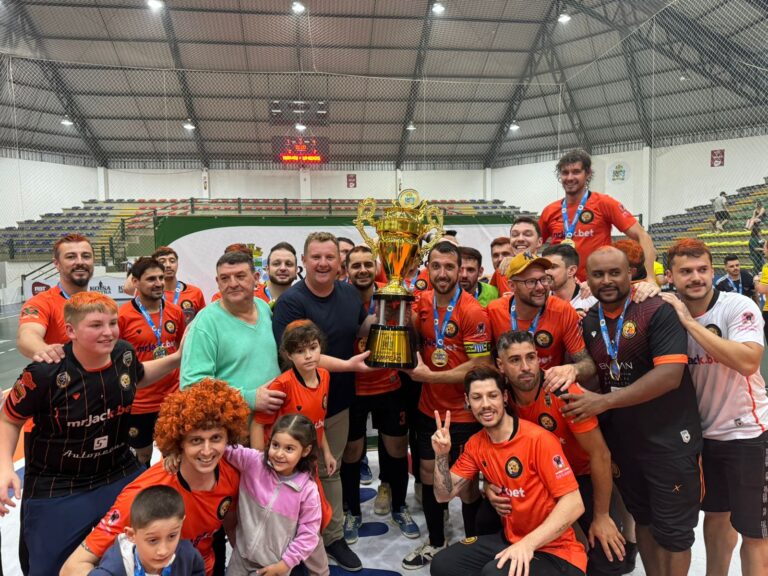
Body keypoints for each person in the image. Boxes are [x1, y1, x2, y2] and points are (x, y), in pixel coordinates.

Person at [0, 292, 181, 576]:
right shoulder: (45, 372)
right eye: (96, 325)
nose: (108, 332)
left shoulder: (123, 354)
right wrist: (4, 467)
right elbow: (9, 419)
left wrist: (178, 357)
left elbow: (140, 375)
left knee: (153, 548)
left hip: (118, 471)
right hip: (58, 484)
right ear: (70, 330)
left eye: (112, 323)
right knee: (48, 569)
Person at [558, 247, 702, 576]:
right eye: (598, 274)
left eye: (614, 273)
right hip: (625, 442)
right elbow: (597, 367)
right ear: (587, 279)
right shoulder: (592, 319)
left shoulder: (655, 310)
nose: (607, 281)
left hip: (669, 441)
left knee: (675, 532)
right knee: (645, 521)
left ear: (630, 274)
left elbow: (669, 376)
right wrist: (571, 373)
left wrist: (603, 402)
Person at [61, 378, 246, 576]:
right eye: (196, 440)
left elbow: (231, 526)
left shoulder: (230, 475)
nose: (207, 451)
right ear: (179, 442)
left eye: (216, 438)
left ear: (228, 437)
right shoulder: (143, 494)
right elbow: (72, 567)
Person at [661, 239, 768, 576]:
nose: (696, 277)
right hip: (702, 437)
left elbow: (748, 361)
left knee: (754, 531)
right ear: (670, 277)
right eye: (686, 271)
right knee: (716, 516)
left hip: (748, 434)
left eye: (703, 270)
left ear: (713, 271)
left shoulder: (737, 306)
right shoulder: (666, 312)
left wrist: (690, 323)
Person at [272, 232, 373, 572]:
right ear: (304, 260)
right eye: (316, 257)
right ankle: (289, 538)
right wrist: (345, 365)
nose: (323, 263)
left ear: (339, 263)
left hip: (339, 400)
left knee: (331, 471)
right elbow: (301, 356)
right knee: (294, 473)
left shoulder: (348, 293)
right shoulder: (291, 303)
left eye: (330, 257)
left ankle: (332, 537)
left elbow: (358, 330)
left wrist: (392, 308)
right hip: (297, 408)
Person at [429, 366, 587, 576]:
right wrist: (441, 455)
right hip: (512, 540)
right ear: (467, 401)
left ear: (504, 397)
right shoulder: (475, 444)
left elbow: (574, 503)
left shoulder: (538, 440)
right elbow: (442, 495)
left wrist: (528, 544)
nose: (485, 404)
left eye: (492, 395)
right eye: (477, 397)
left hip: (557, 551)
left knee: (495, 573)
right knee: (443, 564)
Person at [493, 331, 626, 575]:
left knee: (609, 557)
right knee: (486, 518)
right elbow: (492, 448)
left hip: (578, 478)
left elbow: (600, 455)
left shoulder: (563, 391)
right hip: (535, 481)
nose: (526, 367)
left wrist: (602, 515)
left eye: (531, 357)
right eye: (515, 360)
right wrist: (490, 487)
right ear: (500, 365)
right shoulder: (499, 398)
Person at [403, 241, 494, 570]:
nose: (442, 273)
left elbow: (479, 364)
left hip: (465, 413)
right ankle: (437, 541)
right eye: (436, 266)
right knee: (429, 476)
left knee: (466, 484)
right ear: (428, 269)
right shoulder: (422, 304)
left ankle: (471, 544)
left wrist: (431, 376)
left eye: (449, 267)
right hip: (429, 410)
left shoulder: (471, 310)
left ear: (460, 270)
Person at [341, 246, 418, 542]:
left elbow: (412, 331)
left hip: (389, 385)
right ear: (347, 269)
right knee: (351, 452)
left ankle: (399, 505)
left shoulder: (393, 292)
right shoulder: (340, 297)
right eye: (355, 265)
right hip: (354, 389)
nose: (362, 270)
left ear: (376, 268)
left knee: (397, 449)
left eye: (367, 265)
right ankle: (352, 512)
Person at [222, 415, 330, 576]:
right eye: (275, 445)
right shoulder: (252, 462)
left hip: (275, 566)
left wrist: (285, 564)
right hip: (240, 559)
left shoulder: (307, 490)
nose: (279, 454)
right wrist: (177, 453)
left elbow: (308, 534)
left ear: (306, 451)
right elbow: (220, 448)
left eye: (289, 449)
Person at [180, 250, 282, 412]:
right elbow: (192, 385)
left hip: (272, 426)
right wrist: (247, 398)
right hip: (233, 430)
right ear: (218, 282)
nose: (233, 283)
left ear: (256, 278)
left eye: (240, 276)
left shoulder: (263, 308)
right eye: (225, 278)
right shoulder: (206, 323)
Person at [539, 148, 656, 282]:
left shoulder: (604, 203)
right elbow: (534, 244)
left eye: (576, 172)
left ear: (588, 174)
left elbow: (642, 236)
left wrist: (650, 278)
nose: (570, 177)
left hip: (595, 287)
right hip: (560, 286)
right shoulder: (550, 210)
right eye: (565, 173)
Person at [486, 252, 596, 391]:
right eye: (530, 282)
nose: (540, 287)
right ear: (512, 286)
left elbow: (588, 365)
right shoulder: (494, 311)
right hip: (508, 390)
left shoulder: (562, 310)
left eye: (544, 279)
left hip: (548, 389)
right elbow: (484, 362)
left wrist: (573, 369)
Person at [119, 257, 186, 466]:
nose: (158, 283)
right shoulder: (123, 316)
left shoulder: (175, 312)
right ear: (136, 282)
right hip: (139, 403)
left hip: (171, 399)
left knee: (174, 455)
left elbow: (182, 351)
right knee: (142, 457)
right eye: (150, 279)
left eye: (160, 278)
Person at [252, 321, 335, 473]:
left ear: (320, 347)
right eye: (300, 351)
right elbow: (258, 424)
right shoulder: (282, 384)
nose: (308, 356)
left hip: (307, 457)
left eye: (313, 347)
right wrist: (260, 467)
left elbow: (318, 422)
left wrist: (327, 453)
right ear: (289, 355)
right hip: (281, 461)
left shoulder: (325, 376)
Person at [87, 485, 206, 576]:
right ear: (131, 535)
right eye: (153, 540)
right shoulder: (111, 570)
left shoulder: (189, 555)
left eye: (172, 536)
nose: (163, 551)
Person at [17, 233, 94, 363]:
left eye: (86, 256)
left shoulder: (102, 303)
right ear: (57, 264)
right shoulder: (41, 303)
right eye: (71, 257)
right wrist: (45, 350)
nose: (80, 262)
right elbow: (27, 335)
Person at [490, 216, 543, 296]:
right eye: (515, 235)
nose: (520, 239)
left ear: (539, 242)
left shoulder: (549, 269)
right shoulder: (503, 269)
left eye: (527, 234)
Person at [152, 246, 206, 323]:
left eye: (172, 261)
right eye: (162, 261)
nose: (168, 265)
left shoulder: (195, 292)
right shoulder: (150, 294)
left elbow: (202, 323)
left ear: (177, 263)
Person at [541, 243, 597, 317]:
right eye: (544, 267)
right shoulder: (539, 301)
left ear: (571, 271)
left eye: (553, 267)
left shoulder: (592, 302)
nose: (546, 272)